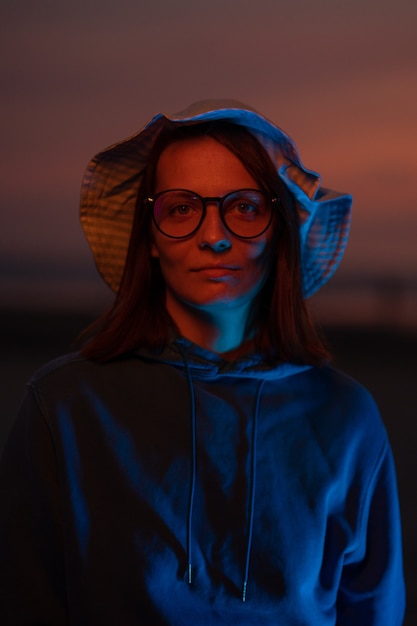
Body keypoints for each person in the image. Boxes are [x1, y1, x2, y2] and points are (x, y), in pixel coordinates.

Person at [0, 100, 405, 625]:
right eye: (182, 208)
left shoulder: (346, 417)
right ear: (148, 236)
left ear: (279, 231)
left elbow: (372, 612)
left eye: (244, 207)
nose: (213, 236)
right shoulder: (66, 407)